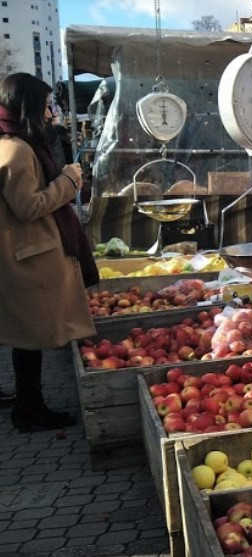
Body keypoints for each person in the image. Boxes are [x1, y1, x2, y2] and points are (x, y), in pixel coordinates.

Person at [0, 73, 95, 431]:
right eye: (44, 105)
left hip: (27, 252)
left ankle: (30, 404)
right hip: (28, 254)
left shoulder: (13, 142)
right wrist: (68, 182)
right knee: (30, 339)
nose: (48, 113)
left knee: (29, 338)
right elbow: (28, 206)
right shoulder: (16, 149)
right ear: (28, 106)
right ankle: (29, 410)